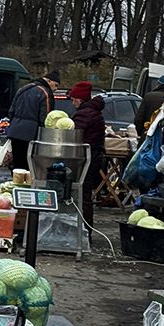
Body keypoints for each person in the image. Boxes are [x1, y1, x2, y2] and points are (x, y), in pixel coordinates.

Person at [69, 81, 106, 231]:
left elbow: (76, 136)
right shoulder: (93, 112)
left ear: (80, 99)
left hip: (87, 158)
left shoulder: (84, 114)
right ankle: (85, 229)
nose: (72, 102)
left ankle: (85, 230)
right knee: (85, 193)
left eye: (73, 99)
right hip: (94, 156)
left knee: (83, 195)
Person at [5, 70, 59, 170]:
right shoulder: (46, 93)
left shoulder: (23, 89)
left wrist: (13, 125)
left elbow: (11, 111)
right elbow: (46, 119)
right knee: (28, 165)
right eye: (55, 85)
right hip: (31, 134)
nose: (55, 89)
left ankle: (16, 182)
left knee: (17, 164)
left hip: (15, 131)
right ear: (48, 81)